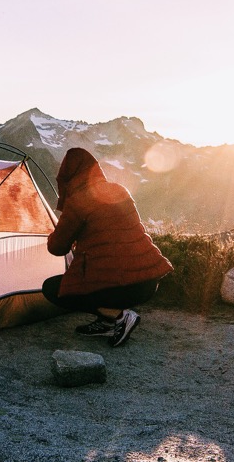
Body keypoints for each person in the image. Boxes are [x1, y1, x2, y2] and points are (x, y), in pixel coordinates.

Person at [42, 147, 173, 347]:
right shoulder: (120, 190)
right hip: (148, 282)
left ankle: (120, 317)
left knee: (53, 289)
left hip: (121, 287)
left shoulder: (78, 201)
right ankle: (106, 322)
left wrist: (56, 230)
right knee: (100, 277)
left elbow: (57, 248)